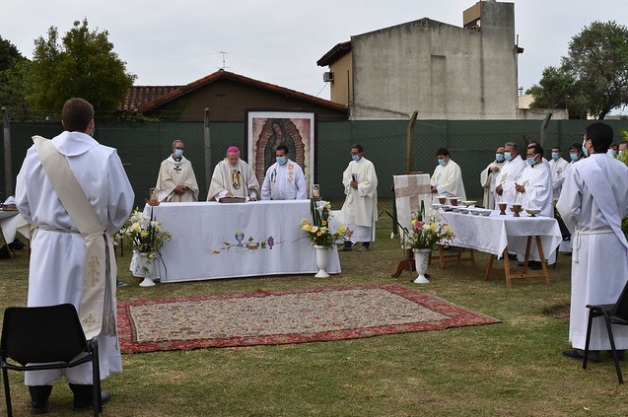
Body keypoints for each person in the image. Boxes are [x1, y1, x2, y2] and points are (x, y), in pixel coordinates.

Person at [15, 98, 134, 413]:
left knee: (44, 314)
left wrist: (45, 227)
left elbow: (23, 203)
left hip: (47, 248)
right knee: (86, 315)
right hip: (88, 247)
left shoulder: (35, 155)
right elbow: (122, 205)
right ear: (91, 123)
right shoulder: (105, 157)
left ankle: (38, 392)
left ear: (62, 123)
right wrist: (99, 229)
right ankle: (84, 391)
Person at [557, 122, 628, 362]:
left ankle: (588, 346)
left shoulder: (579, 168)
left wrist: (579, 229)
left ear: (588, 142)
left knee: (589, 291)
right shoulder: (623, 169)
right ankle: (617, 344)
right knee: (614, 291)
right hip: (615, 239)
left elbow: (567, 207)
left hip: (589, 239)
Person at [339, 144, 378, 252]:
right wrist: (350, 183)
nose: (353, 155)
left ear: (361, 153)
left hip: (363, 198)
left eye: (355, 153)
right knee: (348, 218)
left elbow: (372, 182)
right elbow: (345, 177)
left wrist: (359, 187)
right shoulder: (351, 164)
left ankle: (365, 244)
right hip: (352, 197)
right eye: (352, 153)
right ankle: (347, 243)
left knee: (364, 219)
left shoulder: (368, 165)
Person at [514, 143, 553, 217]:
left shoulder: (544, 170)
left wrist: (525, 189)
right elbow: (521, 183)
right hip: (524, 208)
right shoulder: (527, 169)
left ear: (538, 156)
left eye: (530, 155)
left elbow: (543, 191)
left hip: (538, 212)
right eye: (527, 155)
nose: (528, 157)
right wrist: (518, 187)